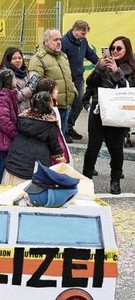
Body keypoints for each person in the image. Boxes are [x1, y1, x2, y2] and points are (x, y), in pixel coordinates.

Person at [82, 36, 135, 195]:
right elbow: (90, 84)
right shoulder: (102, 66)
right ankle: (86, 179)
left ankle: (115, 181)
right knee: (93, 147)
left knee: (116, 149)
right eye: (112, 48)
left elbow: (130, 88)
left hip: (118, 112)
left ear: (127, 50)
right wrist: (98, 68)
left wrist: (116, 72)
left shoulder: (131, 68)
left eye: (119, 48)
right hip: (98, 112)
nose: (115, 51)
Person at [2, 91, 65, 186]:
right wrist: (61, 159)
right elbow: (54, 146)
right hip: (34, 171)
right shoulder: (50, 124)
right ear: (49, 104)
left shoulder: (22, 118)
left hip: (13, 165)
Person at [28, 29, 77, 135]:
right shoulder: (38, 59)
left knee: (61, 140)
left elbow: (68, 78)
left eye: (60, 39)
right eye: (55, 40)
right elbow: (33, 84)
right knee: (53, 142)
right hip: (50, 109)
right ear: (46, 41)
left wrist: (74, 91)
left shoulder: (63, 57)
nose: (59, 42)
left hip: (65, 106)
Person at [61, 20, 99, 143]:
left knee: (78, 103)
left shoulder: (83, 41)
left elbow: (90, 54)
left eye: (85, 34)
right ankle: (64, 130)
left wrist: (100, 64)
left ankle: (69, 126)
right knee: (67, 105)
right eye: (82, 33)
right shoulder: (64, 42)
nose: (84, 36)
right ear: (75, 30)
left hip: (79, 78)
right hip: (67, 79)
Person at [34, 78, 71, 166]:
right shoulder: (47, 112)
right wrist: (58, 153)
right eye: (55, 89)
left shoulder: (53, 107)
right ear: (49, 91)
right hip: (50, 148)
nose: (58, 91)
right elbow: (53, 135)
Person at [0, 46, 36, 113]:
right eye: (14, 58)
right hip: (12, 114)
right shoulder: (5, 75)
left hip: (26, 114)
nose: (18, 60)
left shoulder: (26, 73)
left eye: (20, 58)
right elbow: (15, 97)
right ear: (8, 60)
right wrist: (30, 89)